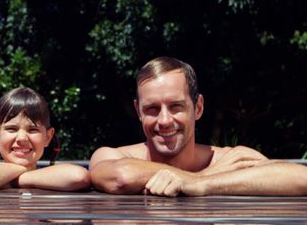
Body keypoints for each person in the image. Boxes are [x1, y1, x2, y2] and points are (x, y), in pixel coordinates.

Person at [90, 56, 307, 197]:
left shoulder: (229, 159)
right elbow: (122, 177)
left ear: (199, 107)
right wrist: (202, 177)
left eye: (176, 106)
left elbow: (301, 179)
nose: (164, 120)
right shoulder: (113, 155)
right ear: (138, 111)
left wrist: (203, 183)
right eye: (153, 109)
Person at [0, 87, 90, 191]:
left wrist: (18, 179)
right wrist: (22, 171)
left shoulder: (55, 177)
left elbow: (79, 177)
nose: (22, 138)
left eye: (33, 130)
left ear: (47, 137)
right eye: (12, 129)